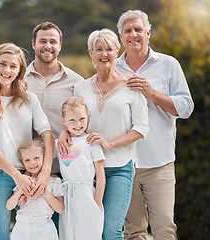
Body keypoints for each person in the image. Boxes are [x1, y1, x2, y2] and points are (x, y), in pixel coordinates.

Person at [57, 29, 149, 240]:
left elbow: (142, 128)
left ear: (118, 51)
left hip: (118, 168)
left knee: (110, 230)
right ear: (91, 52)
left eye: (109, 49)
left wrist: (109, 143)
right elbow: (75, 118)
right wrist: (64, 132)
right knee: (89, 230)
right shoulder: (80, 88)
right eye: (99, 49)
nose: (104, 54)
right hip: (85, 171)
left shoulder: (132, 86)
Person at [115, 10, 194, 240]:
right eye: (128, 31)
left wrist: (152, 93)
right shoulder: (112, 68)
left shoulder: (169, 65)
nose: (133, 35)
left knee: (165, 229)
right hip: (124, 164)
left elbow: (186, 107)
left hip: (159, 162)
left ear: (148, 33)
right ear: (121, 37)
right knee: (134, 232)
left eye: (138, 30)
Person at [0, 43, 54, 240]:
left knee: (35, 233)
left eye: (13, 66)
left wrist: (44, 174)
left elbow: (47, 135)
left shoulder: (30, 99)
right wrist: (17, 177)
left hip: (30, 175)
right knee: (0, 237)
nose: (7, 70)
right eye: (3, 64)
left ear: (20, 70)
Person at [24, 21, 84, 229]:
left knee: (62, 229)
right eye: (42, 41)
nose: (47, 46)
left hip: (64, 168)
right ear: (33, 44)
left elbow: (84, 119)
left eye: (53, 41)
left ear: (60, 45)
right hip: (27, 171)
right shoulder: (18, 80)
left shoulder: (77, 83)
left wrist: (69, 130)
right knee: (31, 226)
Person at [56, 97, 105, 240]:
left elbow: (101, 175)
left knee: (89, 234)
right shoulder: (60, 143)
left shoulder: (92, 141)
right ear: (63, 121)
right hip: (67, 198)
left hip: (87, 195)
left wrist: (97, 203)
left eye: (82, 119)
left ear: (88, 116)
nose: (78, 124)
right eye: (72, 120)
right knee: (68, 235)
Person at [6, 139, 64, 240]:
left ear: (44, 158)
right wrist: (21, 191)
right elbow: (9, 206)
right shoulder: (22, 181)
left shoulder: (54, 181)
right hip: (21, 227)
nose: (32, 163)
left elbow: (60, 208)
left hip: (44, 228)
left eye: (36, 158)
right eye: (27, 160)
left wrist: (45, 193)